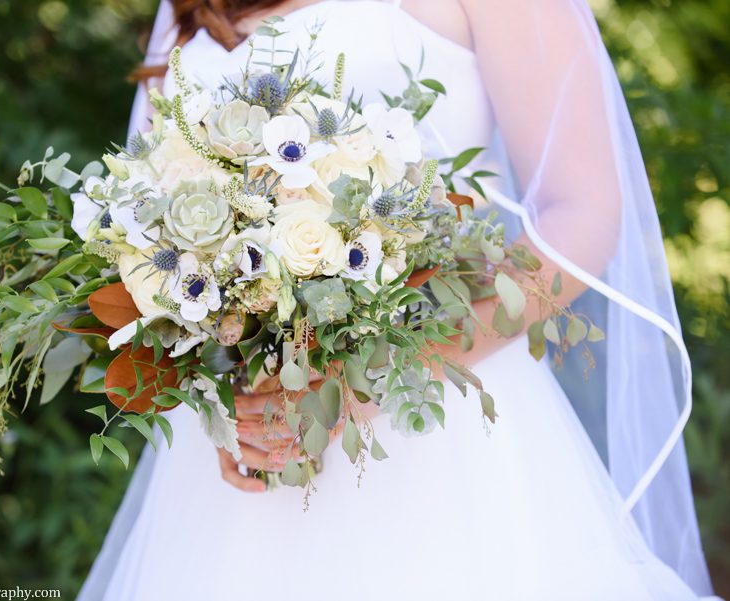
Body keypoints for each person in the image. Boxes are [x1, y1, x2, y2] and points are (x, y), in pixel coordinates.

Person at [79, 1, 719, 599]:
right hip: (246, 452)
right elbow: (141, 212)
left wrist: (373, 384)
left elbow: (582, 216)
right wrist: (216, 396)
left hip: (438, 432)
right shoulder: (188, 6)